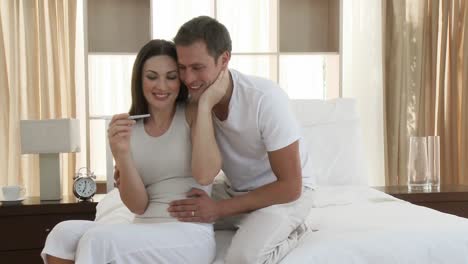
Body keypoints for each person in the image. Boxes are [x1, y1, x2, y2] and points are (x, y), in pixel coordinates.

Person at [41, 39, 221, 264]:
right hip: (143, 226)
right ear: (140, 79)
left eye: (171, 77)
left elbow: (206, 173)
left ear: (180, 81)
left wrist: (204, 103)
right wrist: (121, 154)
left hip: (188, 233)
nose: (162, 86)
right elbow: (138, 206)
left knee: (98, 240)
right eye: (152, 76)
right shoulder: (130, 129)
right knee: (62, 234)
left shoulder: (194, 114)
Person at [166, 16, 316, 264]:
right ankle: (245, 219)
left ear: (224, 60)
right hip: (234, 190)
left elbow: (291, 185)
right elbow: (203, 175)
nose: (188, 79)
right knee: (168, 213)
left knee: (243, 259)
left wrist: (218, 210)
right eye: (182, 68)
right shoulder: (195, 99)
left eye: (197, 67)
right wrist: (204, 106)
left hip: (284, 196)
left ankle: (295, 231)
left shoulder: (264, 98)